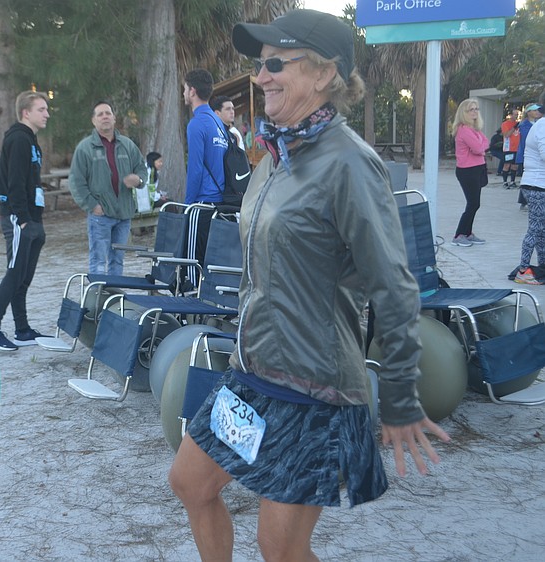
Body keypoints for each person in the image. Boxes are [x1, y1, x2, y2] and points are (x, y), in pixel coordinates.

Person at [168, 10, 450, 561]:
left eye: (276, 63)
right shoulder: (276, 154)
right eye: (258, 65)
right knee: (190, 483)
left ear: (325, 75)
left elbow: (394, 287)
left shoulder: (350, 164)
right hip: (252, 374)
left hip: (315, 386)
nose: (260, 77)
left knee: (279, 546)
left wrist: (397, 397)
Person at [0, 91, 50, 351]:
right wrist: (23, 219)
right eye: (42, 109)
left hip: (32, 219)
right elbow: (14, 183)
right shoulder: (19, 139)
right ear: (26, 112)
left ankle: (22, 329)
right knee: (14, 274)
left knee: (24, 277)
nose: (47, 114)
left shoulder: (31, 140)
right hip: (18, 218)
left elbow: (29, 181)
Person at [68, 100, 148, 276]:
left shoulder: (127, 145)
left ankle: (113, 296)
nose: (105, 116)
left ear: (114, 118)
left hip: (124, 215)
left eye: (108, 113)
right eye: (100, 114)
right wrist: (92, 205)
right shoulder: (85, 148)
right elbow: (76, 181)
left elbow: (142, 170)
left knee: (117, 259)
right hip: (100, 215)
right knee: (98, 259)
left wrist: (139, 180)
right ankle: (97, 296)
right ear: (93, 121)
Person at [184, 68, 226, 269]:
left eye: (184, 89)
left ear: (192, 91)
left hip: (202, 204)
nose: (183, 93)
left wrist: (187, 205)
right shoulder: (218, 122)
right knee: (212, 264)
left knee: (194, 264)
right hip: (220, 203)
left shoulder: (196, 124)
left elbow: (195, 170)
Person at [451, 99, 490, 247]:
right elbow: (479, 149)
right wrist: (481, 147)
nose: (475, 111)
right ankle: (459, 234)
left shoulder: (475, 129)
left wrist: (481, 146)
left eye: (476, 109)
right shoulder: (464, 130)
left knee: (475, 204)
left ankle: (467, 233)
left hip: (477, 168)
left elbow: (486, 143)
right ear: (464, 113)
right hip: (467, 171)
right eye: (471, 109)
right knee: (473, 203)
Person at [513, 109, 545, 284]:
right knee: (535, 228)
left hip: (537, 184)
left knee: (541, 230)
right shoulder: (543, 126)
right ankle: (523, 270)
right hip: (537, 185)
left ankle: (541, 266)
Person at [515, 104, 542, 210]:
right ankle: (524, 201)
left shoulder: (537, 123)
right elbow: (527, 141)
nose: (537, 112)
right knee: (527, 178)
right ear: (528, 112)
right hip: (526, 155)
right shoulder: (524, 125)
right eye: (534, 110)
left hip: (535, 155)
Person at [501, 108, 521, 188]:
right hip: (508, 148)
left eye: (517, 114)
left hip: (517, 148)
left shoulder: (518, 124)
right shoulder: (505, 124)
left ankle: (512, 181)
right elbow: (507, 135)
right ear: (511, 115)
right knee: (507, 165)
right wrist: (514, 127)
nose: (516, 116)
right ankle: (505, 181)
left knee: (514, 166)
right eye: (515, 114)